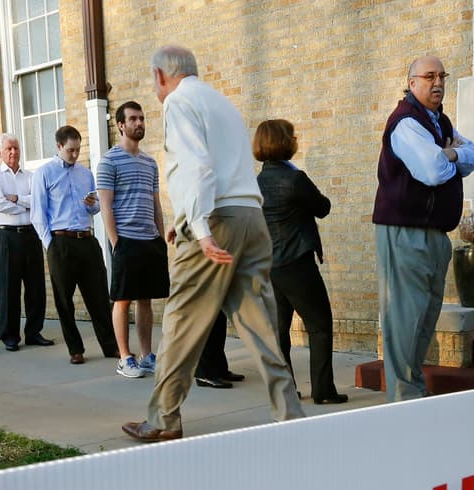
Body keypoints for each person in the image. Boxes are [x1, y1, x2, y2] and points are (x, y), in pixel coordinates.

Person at [122, 45, 305, 442]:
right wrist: (183, 219)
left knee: (182, 319)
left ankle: (163, 419)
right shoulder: (223, 104)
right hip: (251, 219)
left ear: (160, 76)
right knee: (260, 325)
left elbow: (197, 167)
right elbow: (220, 167)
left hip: (217, 221)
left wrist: (200, 229)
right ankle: (290, 414)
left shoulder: (177, 102)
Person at [371, 55, 474, 401]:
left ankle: (412, 388)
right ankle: (403, 397)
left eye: (442, 76)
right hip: (405, 231)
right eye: (429, 76)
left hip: (434, 233)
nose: (438, 83)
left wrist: (449, 154)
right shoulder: (406, 122)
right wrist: (447, 155)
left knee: (424, 316)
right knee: (405, 317)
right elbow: (430, 171)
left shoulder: (439, 122)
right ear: (412, 82)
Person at [254, 118, 347, 404]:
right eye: (292, 136)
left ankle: (286, 390)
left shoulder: (255, 182)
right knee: (319, 325)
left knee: (280, 331)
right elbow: (323, 208)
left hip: (270, 265)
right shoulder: (295, 179)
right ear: (285, 142)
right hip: (297, 263)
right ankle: (323, 391)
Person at [30, 125, 118, 365]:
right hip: (60, 242)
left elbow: (95, 208)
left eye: (78, 150)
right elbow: (38, 214)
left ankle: (110, 346)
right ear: (59, 146)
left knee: (99, 296)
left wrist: (92, 204)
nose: (75, 154)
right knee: (64, 299)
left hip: (87, 240)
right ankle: (75, 349)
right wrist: (51, 245)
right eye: (70, 150)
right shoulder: (44, 173)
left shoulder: (85, 173)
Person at [95, 101, 169, 378]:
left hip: (150, 240)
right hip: (125, 240)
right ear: (121, 125)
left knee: (145, 300)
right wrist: (116, 242)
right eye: (133, 119)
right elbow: (106, 206)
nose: (139, 123)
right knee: (122, 300)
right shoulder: (108, 161)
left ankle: (146, 355)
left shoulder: (150, 162)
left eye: (142, 118)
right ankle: (125, 358)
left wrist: (161, 239)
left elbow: (156, 204)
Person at [0, 132, 53, 351]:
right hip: (7, 236)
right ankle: (10, 335)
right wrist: (26, 204)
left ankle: (34, 332)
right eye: (8, 149)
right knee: (8, 287)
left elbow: (41, 202)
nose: (13, 152)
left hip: (31, 234)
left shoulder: (31, 176)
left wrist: (15, 198)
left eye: (16, 148)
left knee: (35, 287)